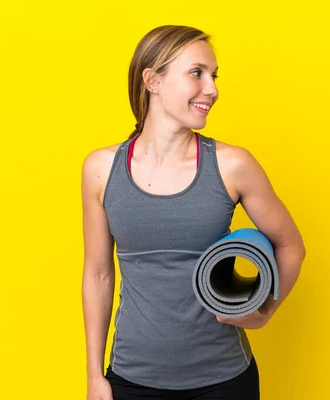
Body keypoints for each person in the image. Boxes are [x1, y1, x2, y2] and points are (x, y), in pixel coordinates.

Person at [81, 25, 306, 400]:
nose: (212, 89)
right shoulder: (101, 169)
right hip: (131, 378)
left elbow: (291, 245)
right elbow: (98, 273)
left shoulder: (232, 165)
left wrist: (266, 310)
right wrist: (93, 374)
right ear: (152, 80)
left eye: (214, 76)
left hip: (224, 380)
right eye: (196, 73)